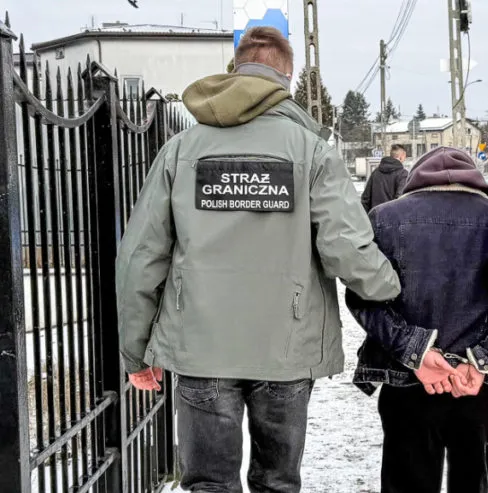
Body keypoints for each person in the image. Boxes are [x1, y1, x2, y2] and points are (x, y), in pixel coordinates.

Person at [116, 27, 400, 493]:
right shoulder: (311, 152)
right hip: (285, 349)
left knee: (208, 484)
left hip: (201, 346)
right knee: (277, 484)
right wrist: (393, 289)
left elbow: (140, 258)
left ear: (235, 71)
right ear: (285, 79)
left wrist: (135, 350)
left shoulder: (181, 151)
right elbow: (347, 249)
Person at [347, 146, 488, 493]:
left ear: (414, 180)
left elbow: (362, 297)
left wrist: (416, 351)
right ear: (476, 181)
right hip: (479, 386)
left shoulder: (384, 219)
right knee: (471, 483)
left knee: (407, 482)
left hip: (407, 381)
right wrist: (481, 361)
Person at [361, 143, 409, 212]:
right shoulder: (403, 174)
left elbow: (365, 199)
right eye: (405, 157)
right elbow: (400, 199)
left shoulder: (376, 172)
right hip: (392, 219)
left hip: (374, 217)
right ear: (401, 157)